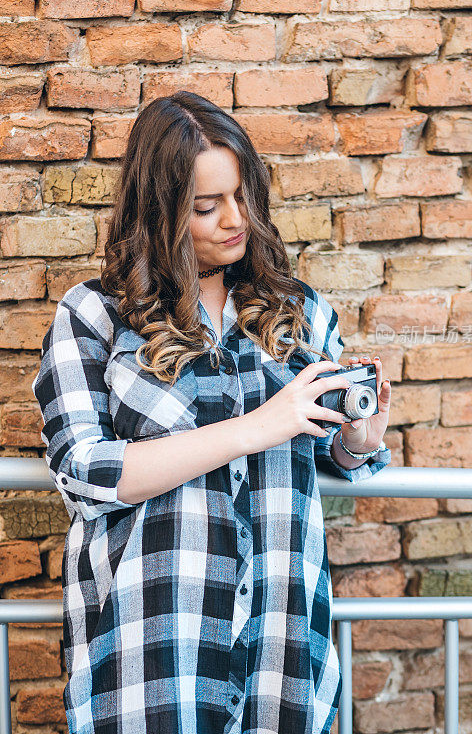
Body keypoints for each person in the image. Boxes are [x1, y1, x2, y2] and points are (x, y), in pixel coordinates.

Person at [32, 91, 392, 734]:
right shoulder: (94, 315)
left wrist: (359, 440)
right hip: (155, 650)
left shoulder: (300, 313)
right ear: (160, 212)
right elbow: (85, 471)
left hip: (279, 651)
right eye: (207, 206)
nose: (236, 219)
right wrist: (257, 427)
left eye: (242, 196)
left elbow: (326, 456)